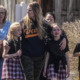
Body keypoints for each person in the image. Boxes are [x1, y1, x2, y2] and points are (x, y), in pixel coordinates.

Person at [0, 5, 11, 80]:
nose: (0, 14)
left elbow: (11, 37)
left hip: (4, 52)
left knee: (2, 74)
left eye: (2, 13)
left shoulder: (9, 24)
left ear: (5, 14)